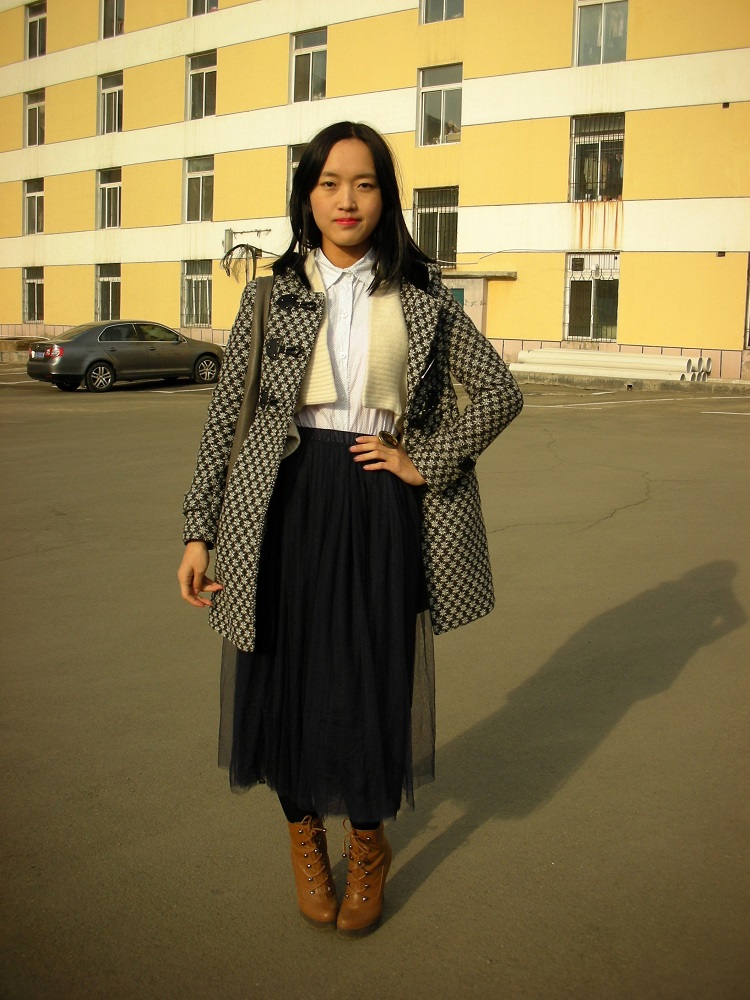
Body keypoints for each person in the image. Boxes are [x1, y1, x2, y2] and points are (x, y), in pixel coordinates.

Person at [178, 121, 523, 937]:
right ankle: (304, 838)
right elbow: (228, 417)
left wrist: (424, 460)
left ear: (385, 197)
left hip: (376, 503)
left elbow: (500, 391)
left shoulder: (422, 299)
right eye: (330, 183)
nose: (346, 200)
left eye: (364, 184)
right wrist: (199, 531)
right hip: (282, 501)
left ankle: (368, 844)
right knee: (283, 676)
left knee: (371, 676)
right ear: (307, 195)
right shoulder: (270, 296)